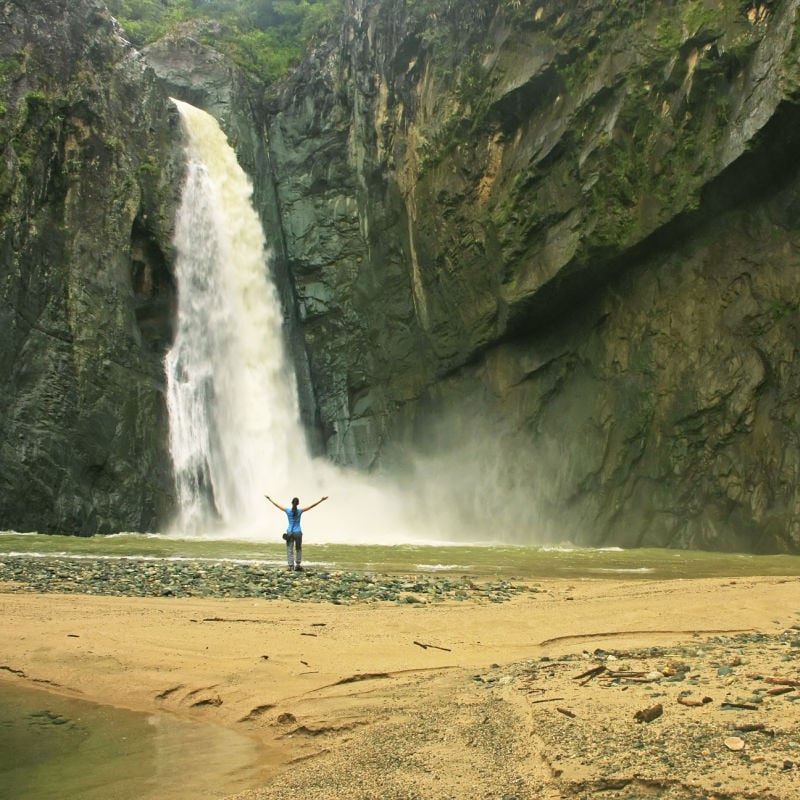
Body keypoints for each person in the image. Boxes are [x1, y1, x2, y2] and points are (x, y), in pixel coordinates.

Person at [264, 494, 328, 571]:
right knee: (298, 548)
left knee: (289, 549)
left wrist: (269, 499)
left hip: (290, 532)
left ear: (292, 503)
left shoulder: (287, 511)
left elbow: (277, 505)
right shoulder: (300, 511)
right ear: (298, 504)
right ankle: (298, 564)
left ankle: (291, 566)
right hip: (298, 532)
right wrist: (321, 500)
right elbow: (311, 506)